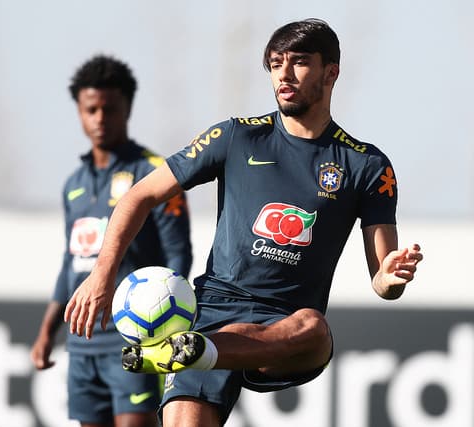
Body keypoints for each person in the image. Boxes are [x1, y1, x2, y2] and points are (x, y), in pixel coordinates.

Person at [64, 19, 423, 427]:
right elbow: (138, 195)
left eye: (299, 62)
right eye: (274, 64)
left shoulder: (367, 165)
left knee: (315, 328)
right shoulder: (235, 137)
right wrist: (102, 273)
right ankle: (198, 351)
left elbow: (381, 279)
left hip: (285, 329)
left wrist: (391, 278)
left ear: (331, 72)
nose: (284, 74)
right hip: (212, 312)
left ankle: (197, 351)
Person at [30, 55, 192, 427]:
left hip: (133, 339)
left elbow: (178, 255)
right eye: (91, 109)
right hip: (83, 342)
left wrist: (165, 327)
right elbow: (71, 265)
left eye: (110, 109)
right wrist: (46, 333)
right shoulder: (74, 184)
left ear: (127, 108)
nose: (100, 118)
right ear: (79, 112)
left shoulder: (154, 173)